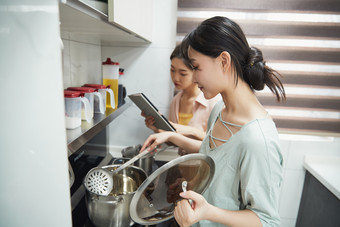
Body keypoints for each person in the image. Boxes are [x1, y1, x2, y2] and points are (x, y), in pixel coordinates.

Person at [140, 16, 286, 227]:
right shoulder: (220, 110)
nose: (194, 78)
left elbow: (266, 220)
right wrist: (191, 186)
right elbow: (215, 159)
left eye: (196, 67)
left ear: (224, 61)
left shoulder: (258, 140)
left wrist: (207, 211)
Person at [142, 42, 220, 142]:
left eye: (183, 74)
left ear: (196, 72)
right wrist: (157, 129)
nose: (175, 78)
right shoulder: (176, 100)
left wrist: (192, 131)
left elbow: (219, 143)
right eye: (172, 70)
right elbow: (175, 142)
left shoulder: (213, 101)